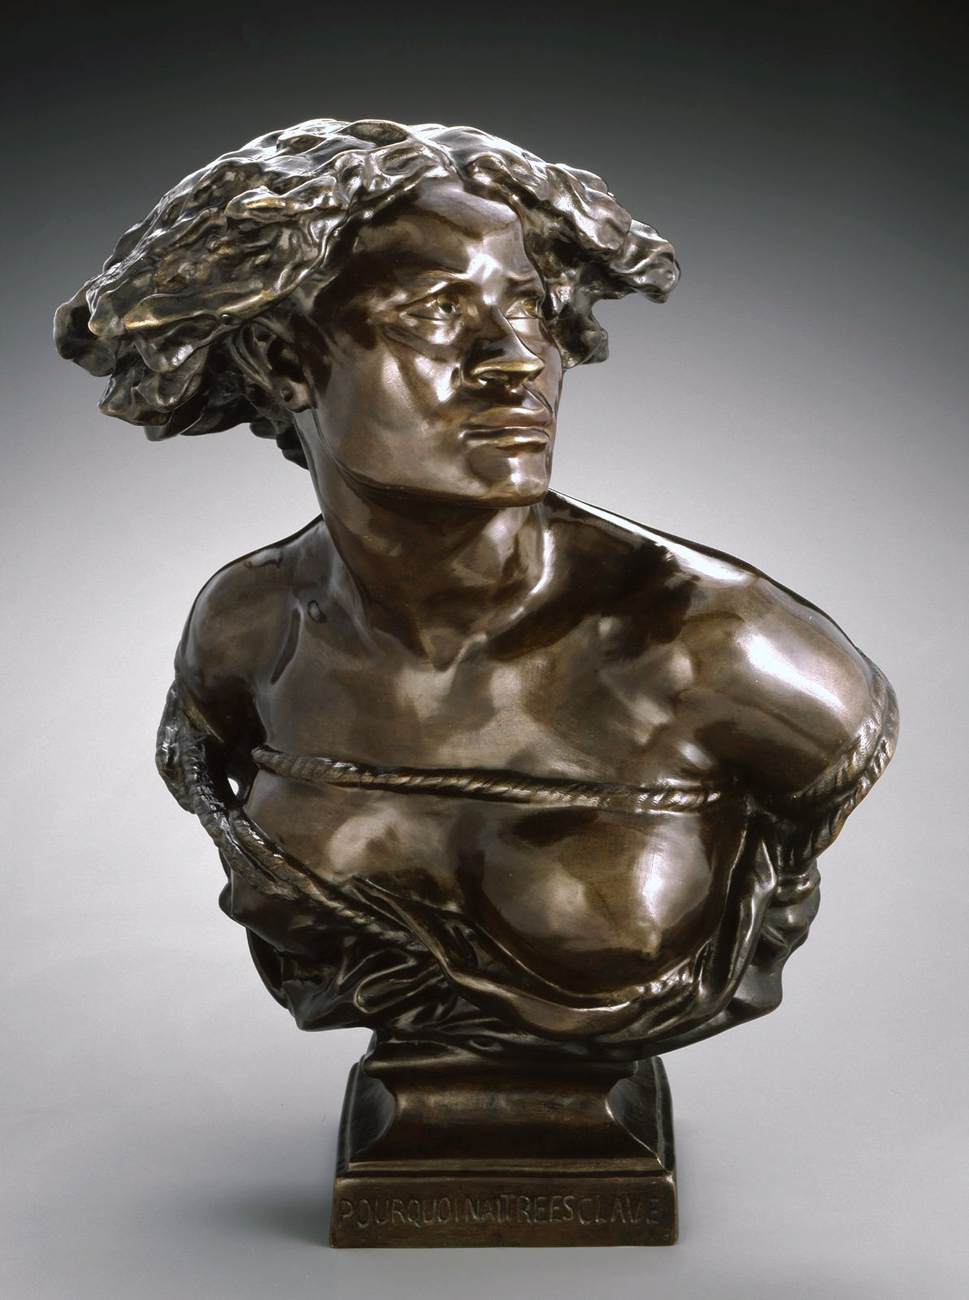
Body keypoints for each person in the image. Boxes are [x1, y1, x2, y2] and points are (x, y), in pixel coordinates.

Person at [56, 118, 896, 1058]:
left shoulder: (717, 645)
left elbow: (810, 805)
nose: (515, 359)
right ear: (283, 363)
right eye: (435, 312)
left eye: (528, 309)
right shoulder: (247, 629)